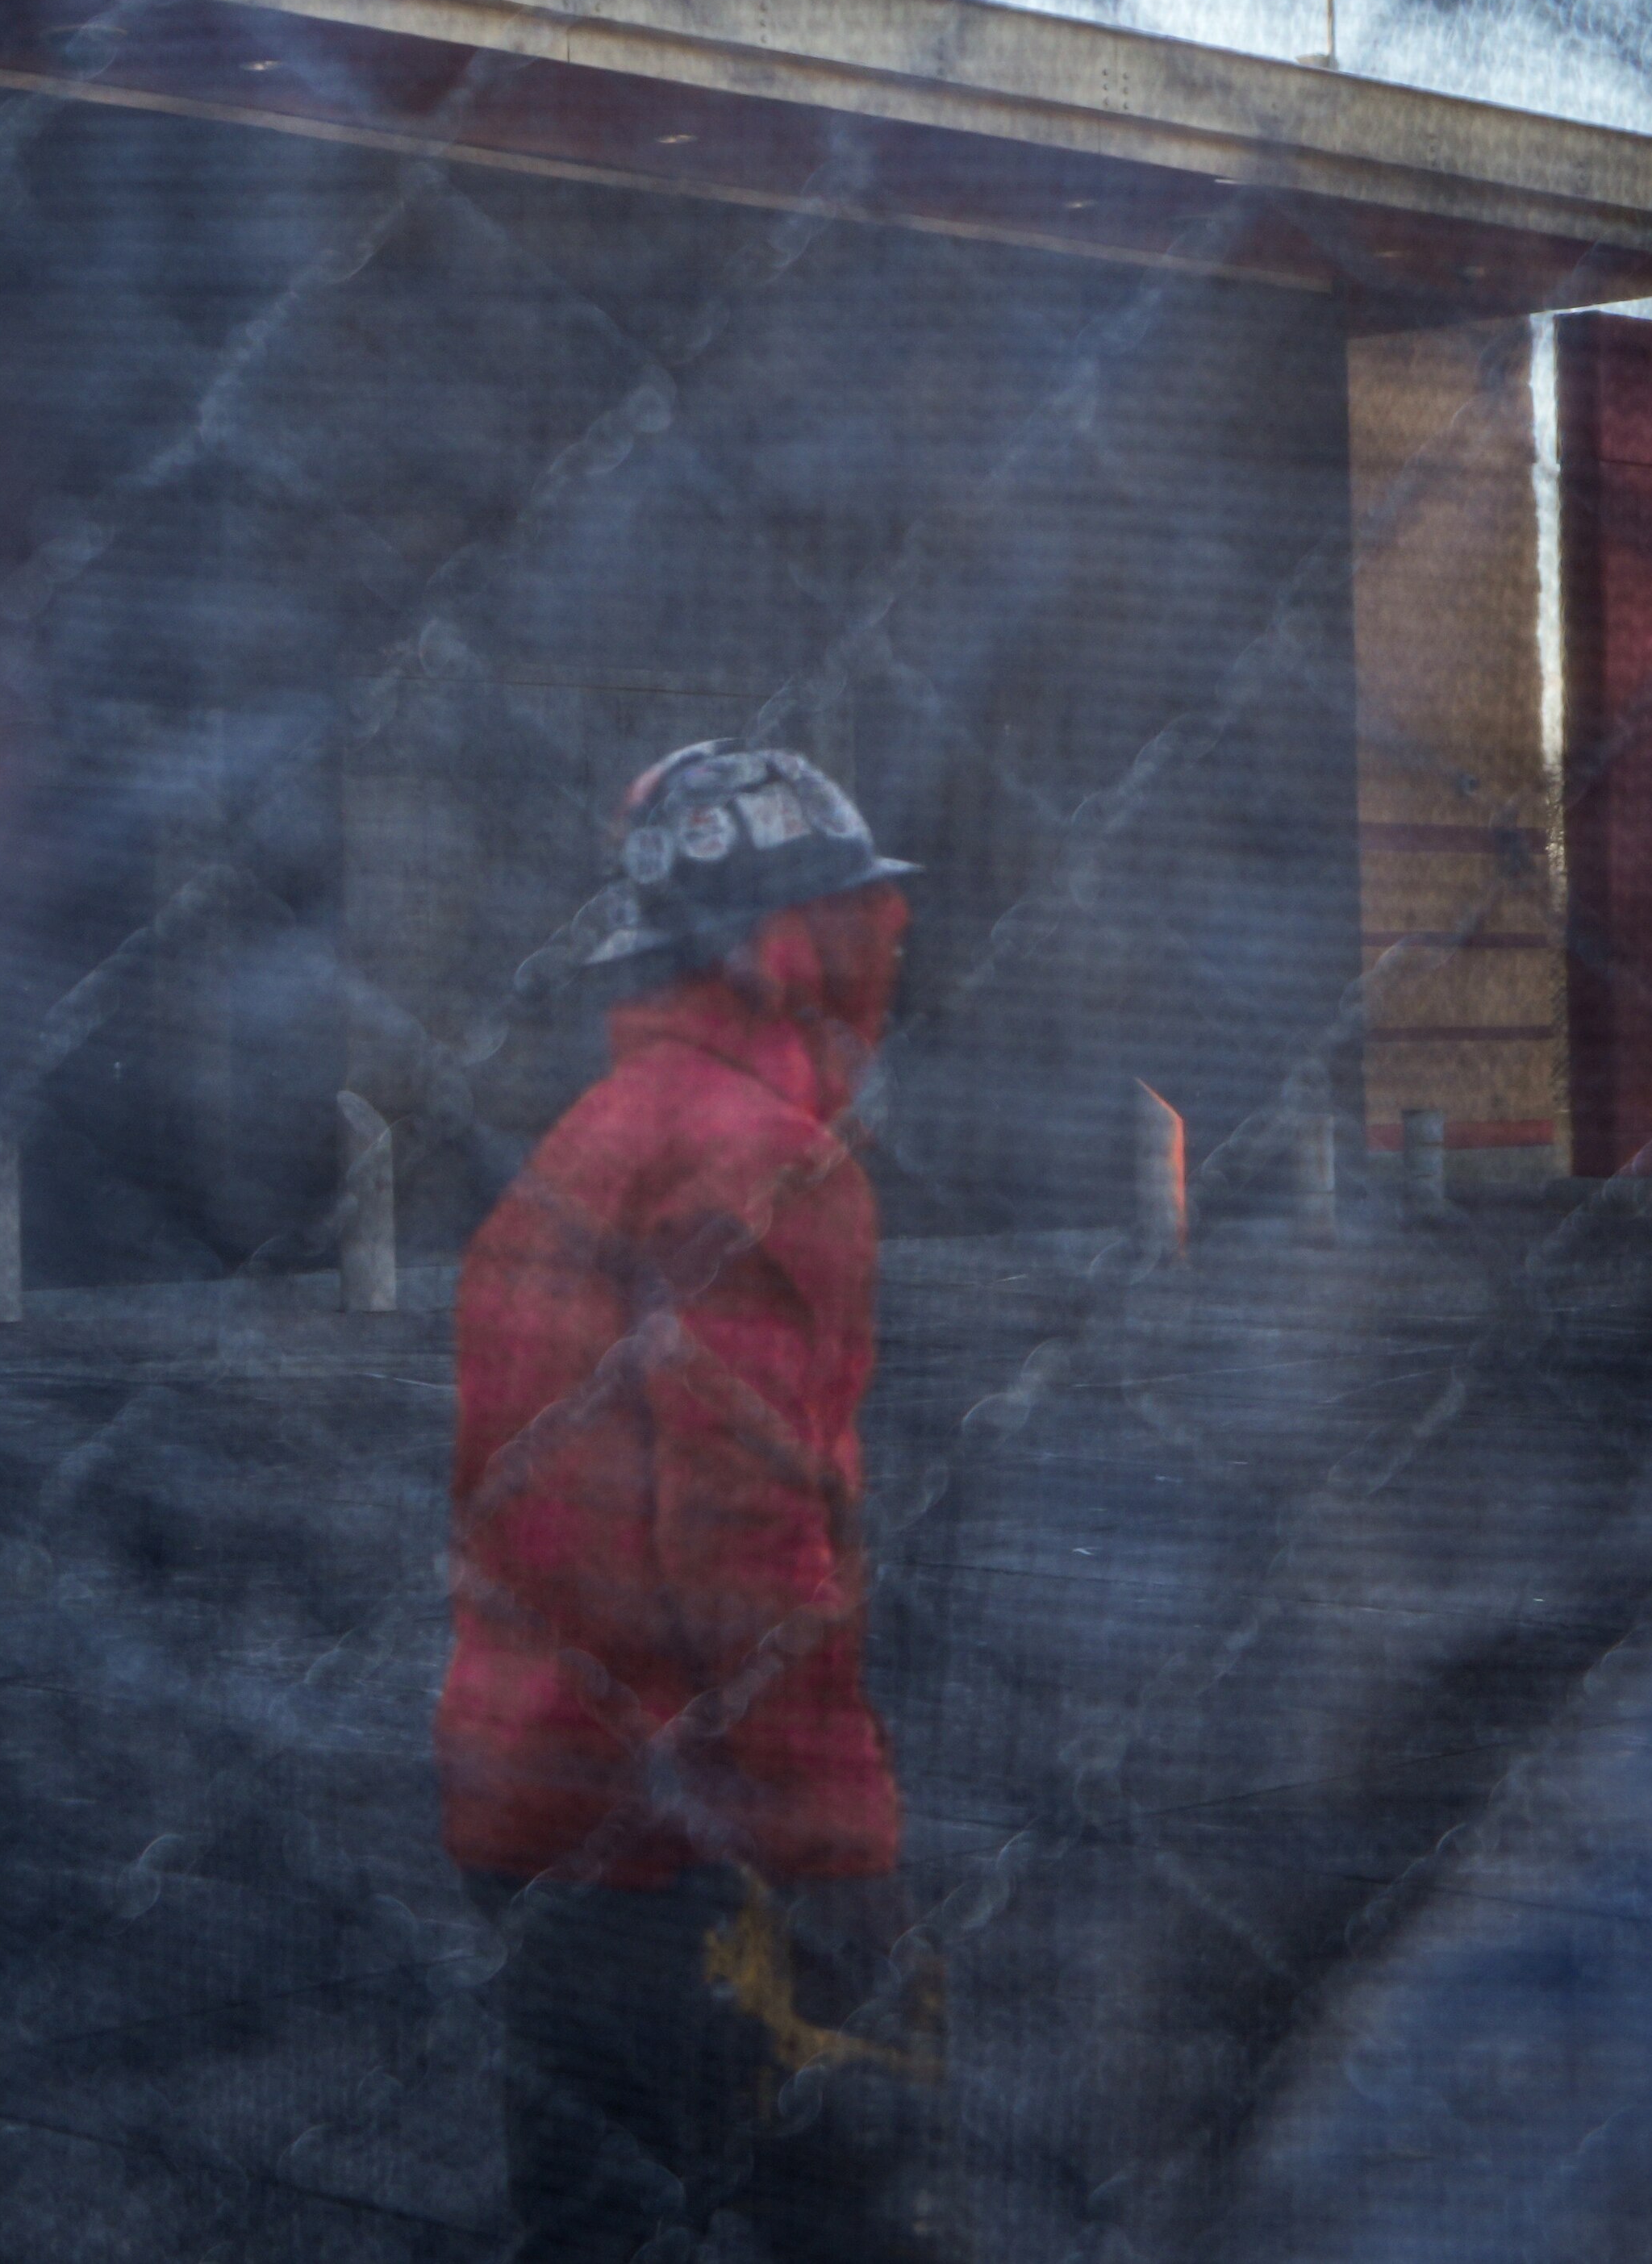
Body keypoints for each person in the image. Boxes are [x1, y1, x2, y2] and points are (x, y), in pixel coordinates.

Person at [438, 740, 945, 2262]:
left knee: (594, 2219)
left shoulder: (588, 1143)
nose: (885, 950)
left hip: (532, 1806)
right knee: (847, 2215)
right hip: (699, 1842)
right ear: (790, 945)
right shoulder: (764, 1156)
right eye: (854, 918)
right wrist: (835, 1850)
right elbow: (736, 1541)